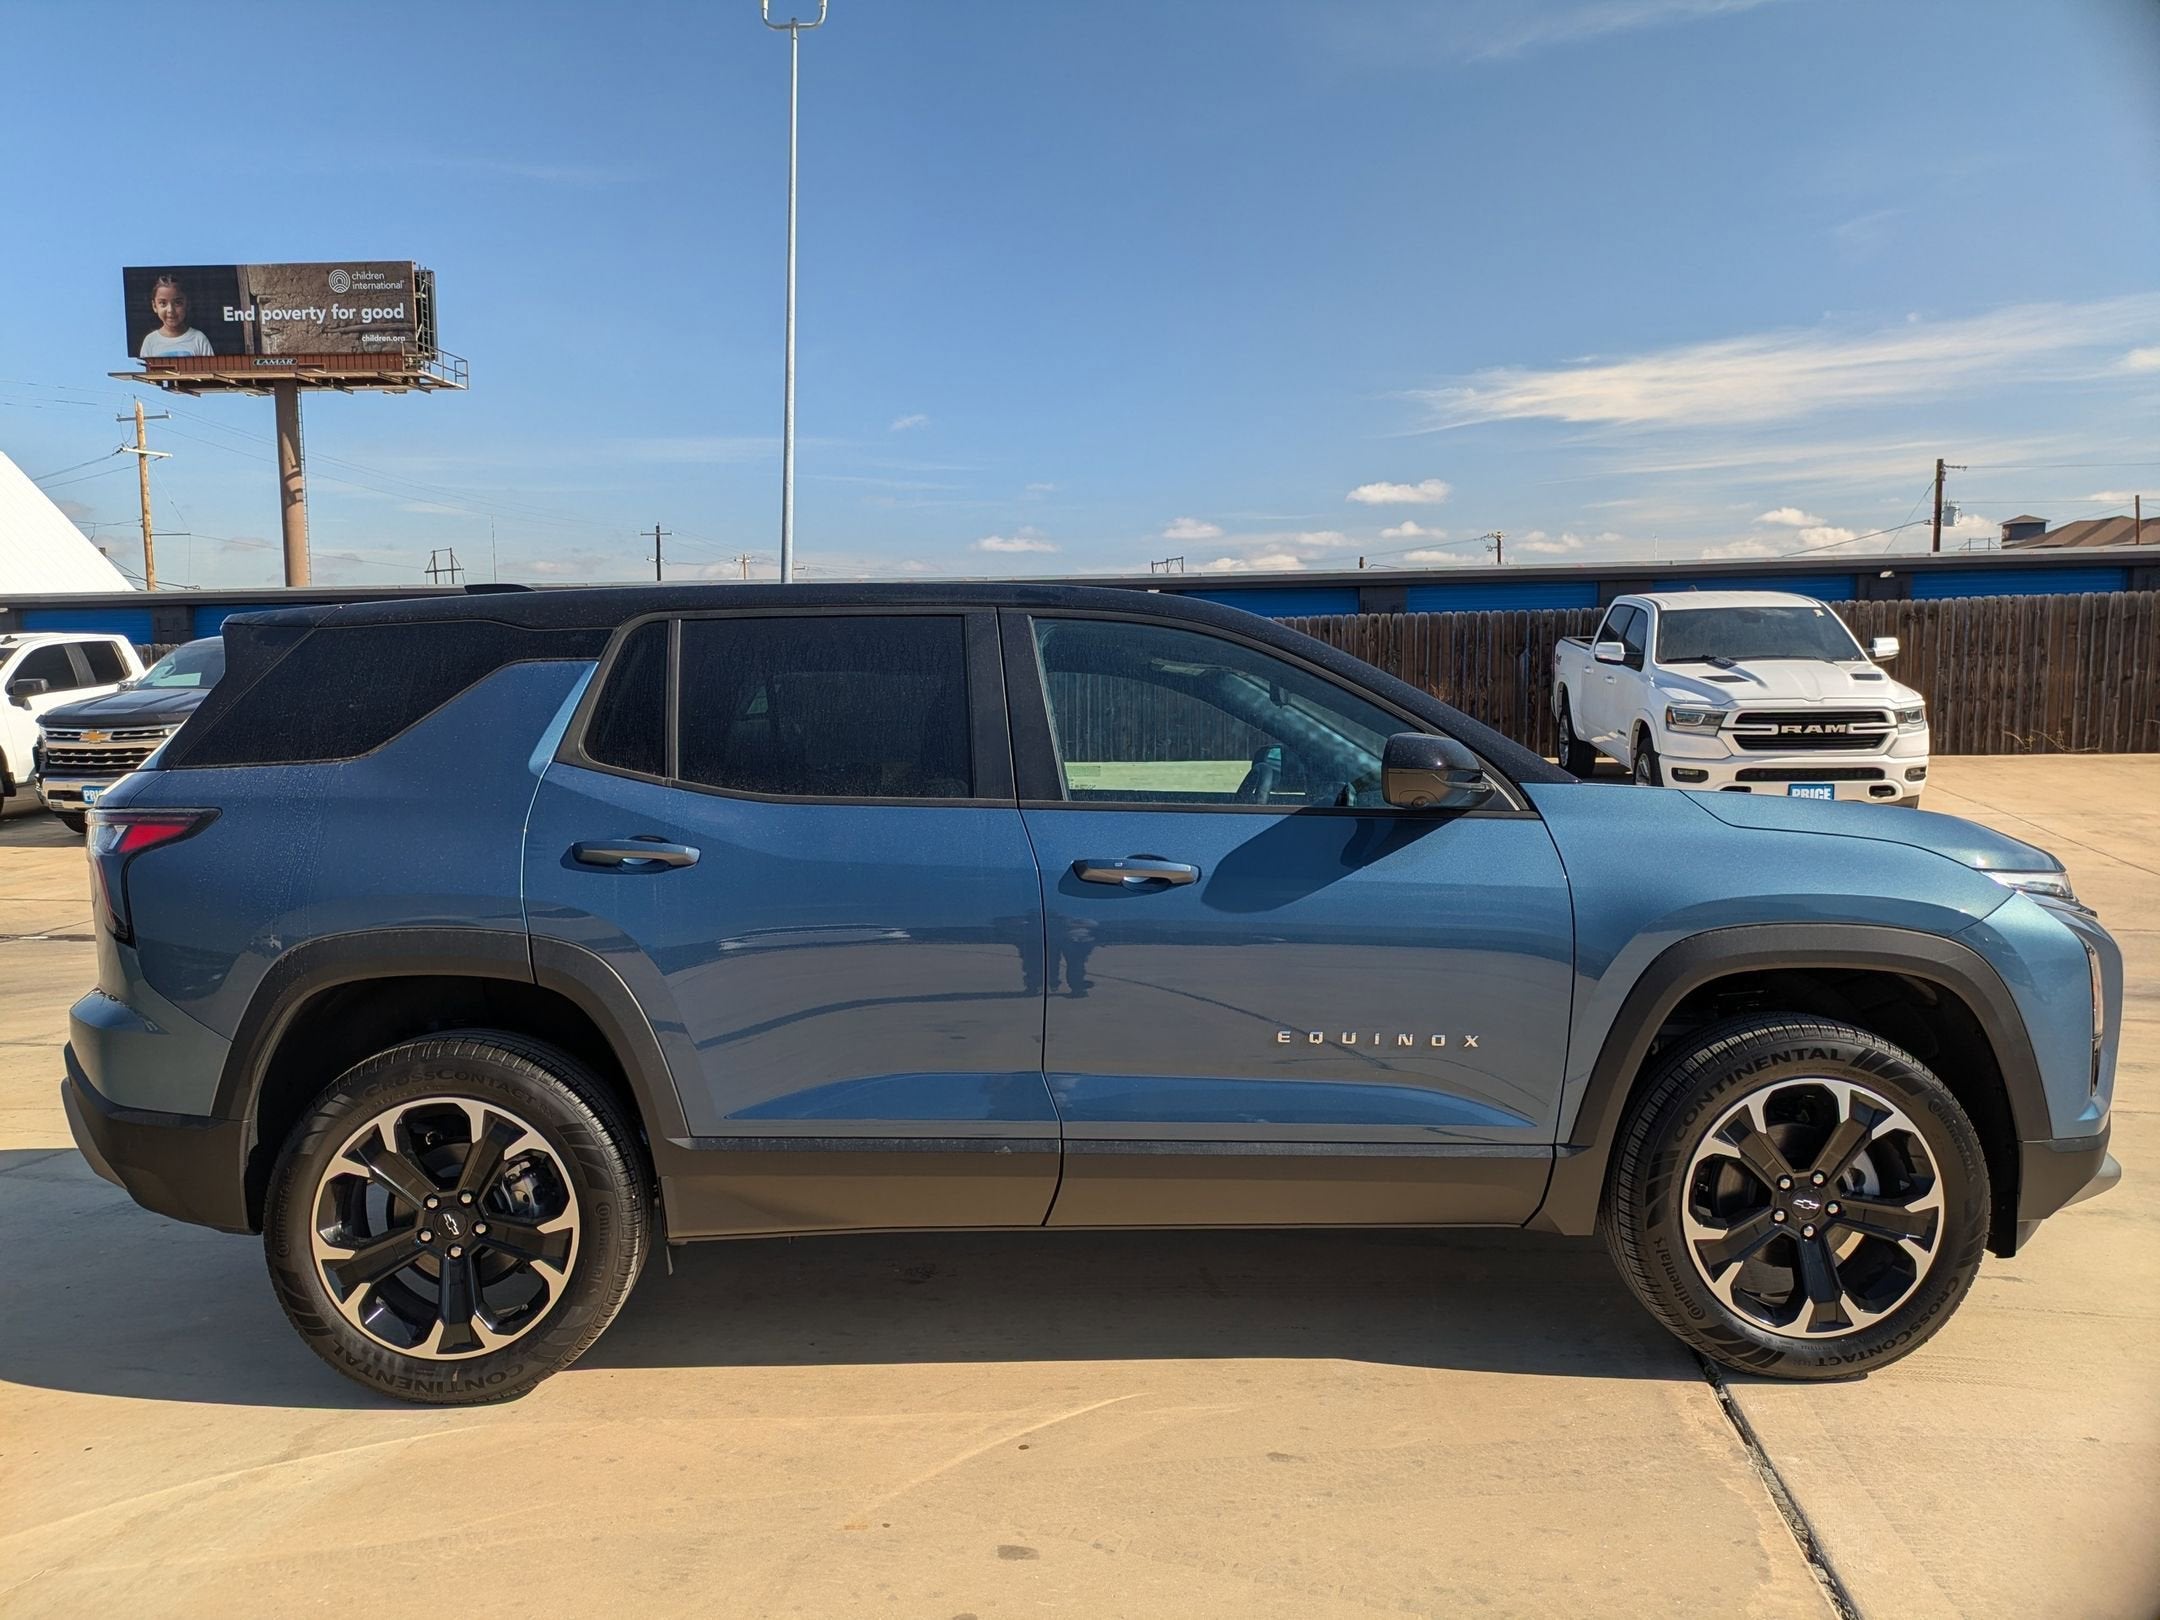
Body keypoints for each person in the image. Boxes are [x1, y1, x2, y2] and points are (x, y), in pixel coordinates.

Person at [138, 274, 215, 358]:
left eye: (177, 303)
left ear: (187, 304)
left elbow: (210, 370)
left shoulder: (199, 339)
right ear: (154, 306)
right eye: (163, 303)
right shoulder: (150, 341)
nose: (170, 310)